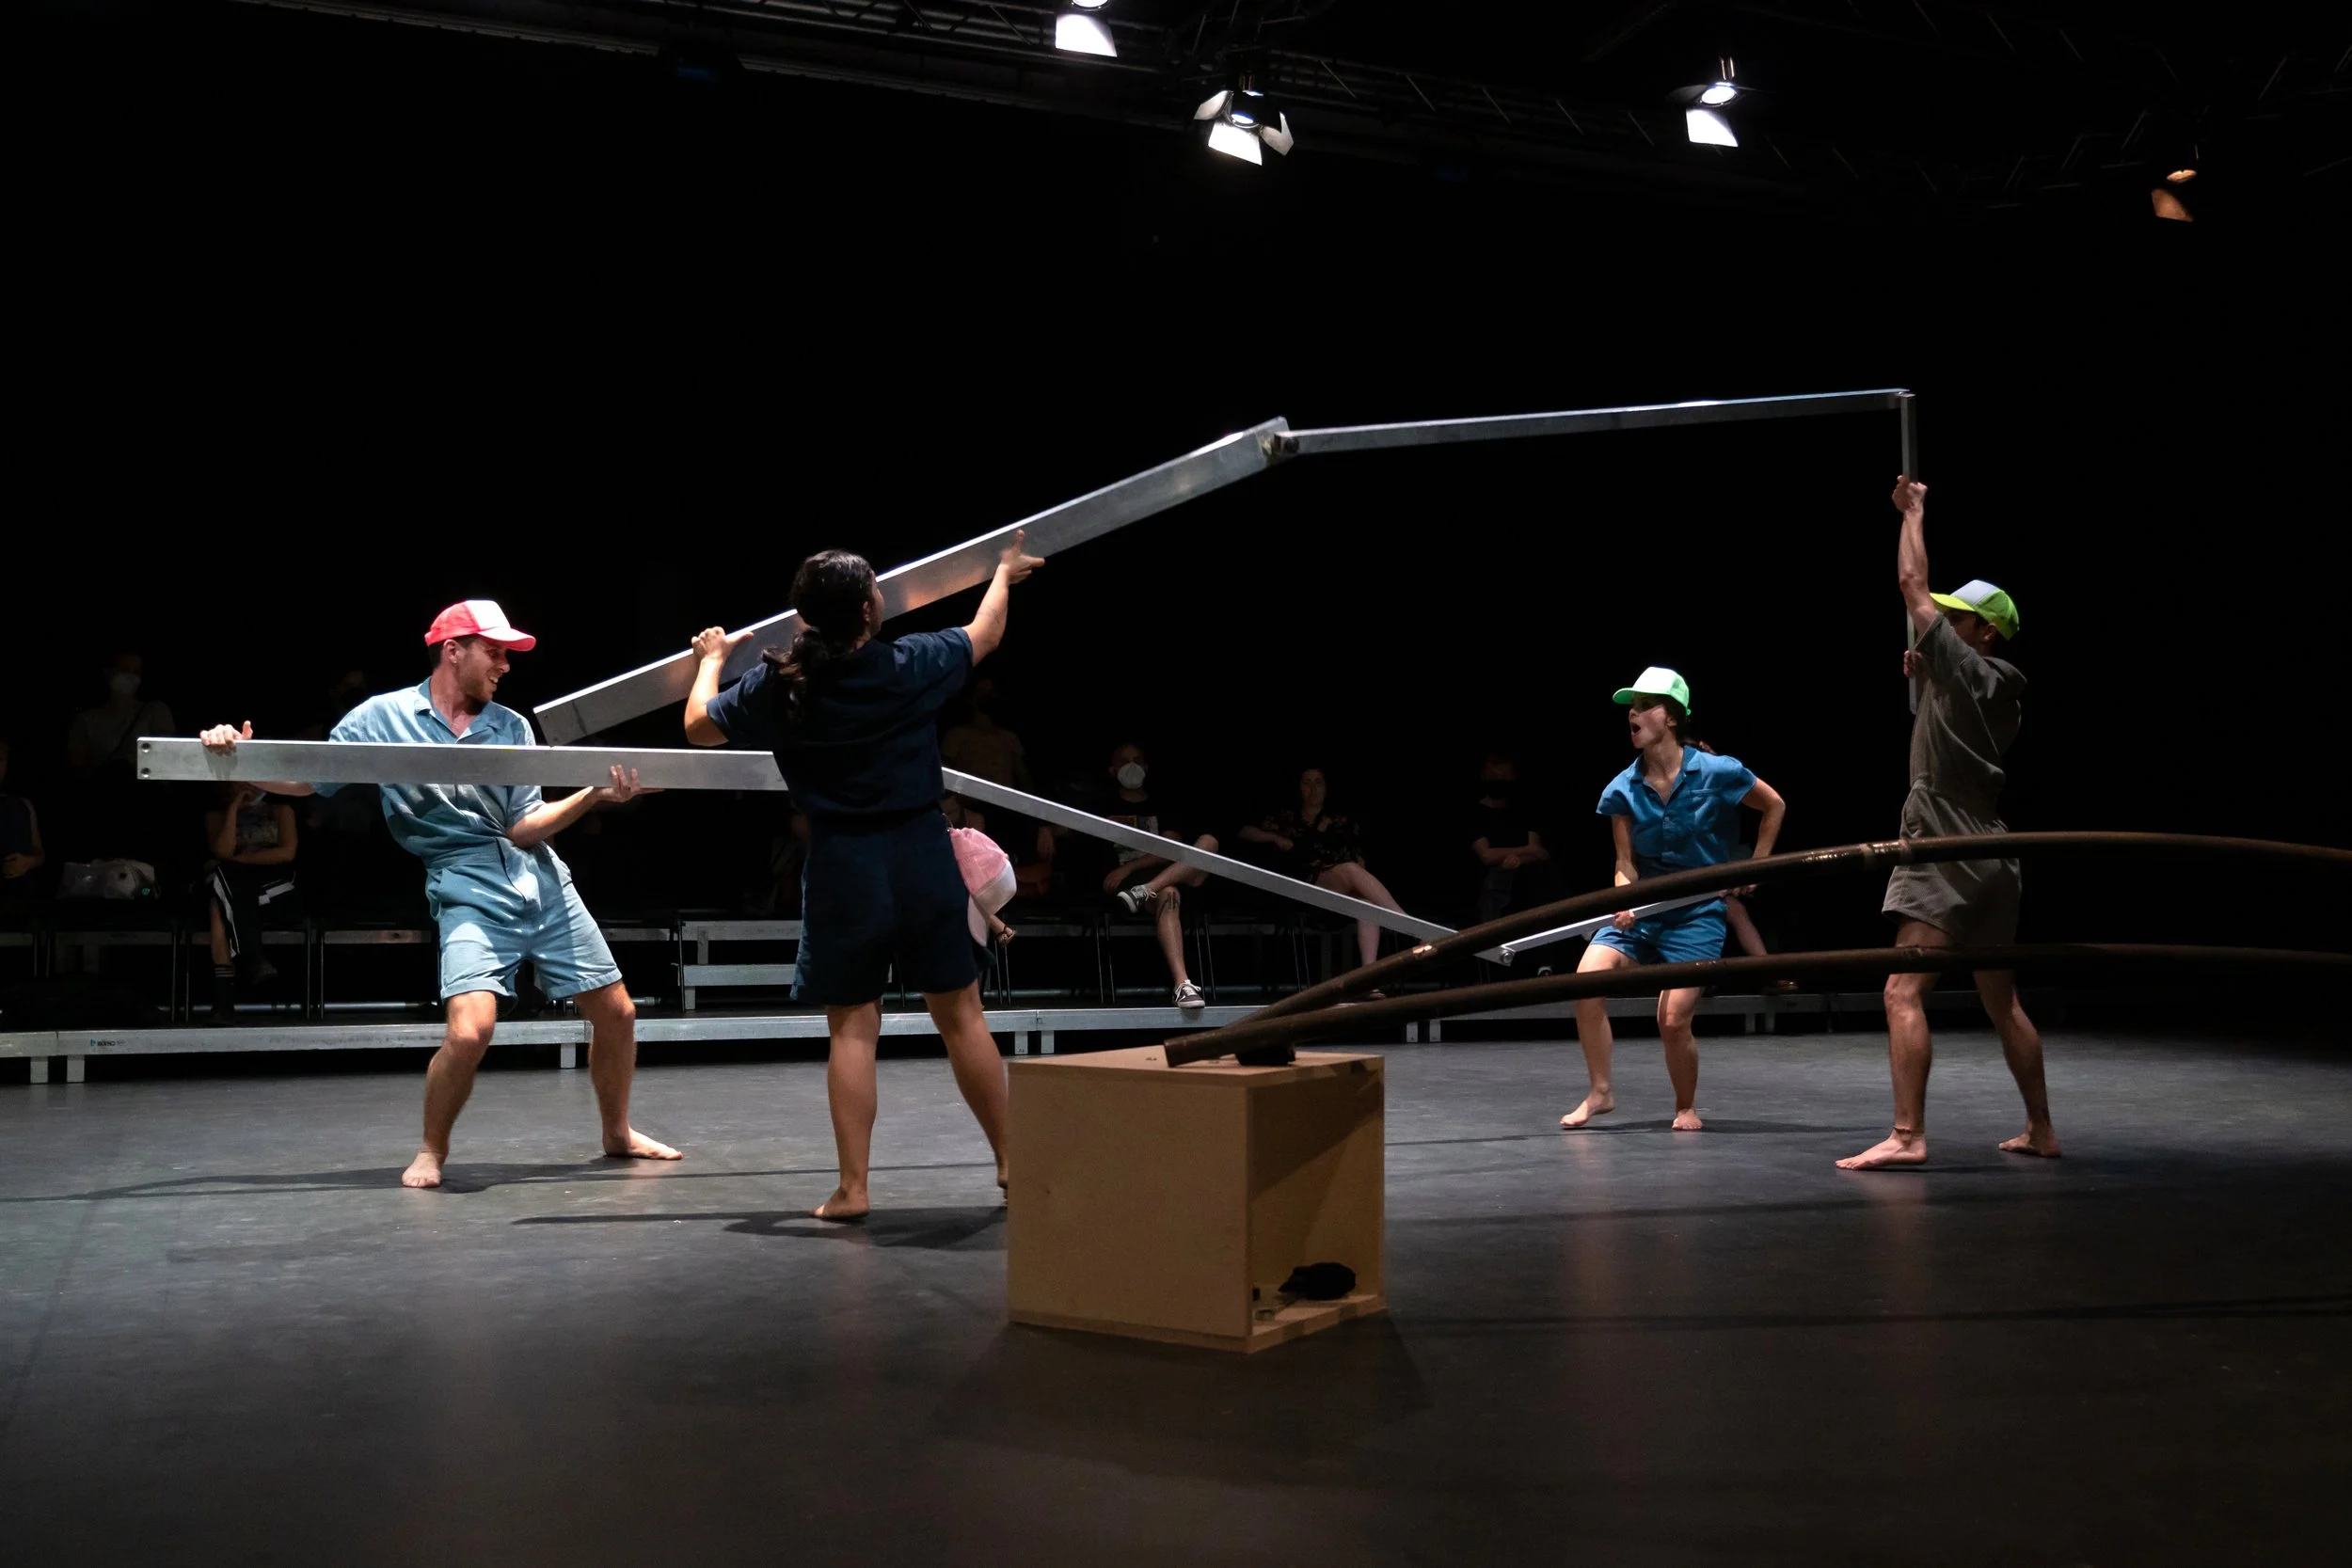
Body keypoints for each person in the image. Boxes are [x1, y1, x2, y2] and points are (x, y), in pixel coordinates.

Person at [199, 600, 678, 1189]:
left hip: (541, 881)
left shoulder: (511, 726)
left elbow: (523, 826)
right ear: (453, 650)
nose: (505, 666)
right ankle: (431, 1150)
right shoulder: (383, 717)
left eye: (507, 655)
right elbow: (309, 777)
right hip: (465, 886)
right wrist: (239, 759)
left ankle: (617, 1132)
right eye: (494, 652)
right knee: (471, 1031)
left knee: (619, 1013)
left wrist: (592, 797)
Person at [694, 534, 1041, 1221]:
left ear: (805, 619)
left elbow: (699, 725)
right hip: (918, 854)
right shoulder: (907, 663)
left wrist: (710, 661)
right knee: (961, 1016)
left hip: (842, 865)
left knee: (853, 1029)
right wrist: (1002, 573)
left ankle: (853, 1190)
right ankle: (1011, 1161)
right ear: (866, 609)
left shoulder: (783, 682)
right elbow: (985, 633)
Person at [1839, 477, 2057, 1169]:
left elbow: (1912, 584)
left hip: (1945, 842)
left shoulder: (1967, 667)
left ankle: (1907, 1135)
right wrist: (1933, 669)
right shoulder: (1994, 690)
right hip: (1993, 851)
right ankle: (2042, 1129)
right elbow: (1947, 677)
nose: (1942, 624)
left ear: (1985, 633)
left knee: (1901, 989)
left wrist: (1914, 513)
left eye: (1958, 620)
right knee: (2003, 1001)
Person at [1562, 668, 1787, 1133]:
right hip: (1645, 910)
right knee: (1585, 983)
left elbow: (1774, 805)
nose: (1633, 714)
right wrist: (1624, 898)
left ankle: (1686, 1106)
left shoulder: (1718, 771)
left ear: (1672, 717)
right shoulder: (1621, 788)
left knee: (1672, 1019)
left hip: (1697, 912)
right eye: (1632, 707)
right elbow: (1625, 862)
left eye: (1645, 705)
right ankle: (1600, 1092)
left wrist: (1757, 864)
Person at [1240, 767, 1415, 974]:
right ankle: (1410, 926)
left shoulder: (1339, 821)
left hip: (1339, 889)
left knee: (1366, 902)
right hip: (1303, 888)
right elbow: (1245, 832)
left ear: (1326, 788)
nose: (1313, 788)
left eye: (1318, 783)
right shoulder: (1287, 817)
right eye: (1307, 783)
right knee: (1350, 870)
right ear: (1299, 788)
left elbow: (1357, 854)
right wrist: (1275, 838)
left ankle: (1370, 976)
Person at [1091, 741, 1217, 1012]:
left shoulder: (1163, 803)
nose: (1131, 766)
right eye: (1124, 761)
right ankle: (1183, 984)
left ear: (1147, 767)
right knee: (1169, 893)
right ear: (1112, 769)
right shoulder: (1102, 804)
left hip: (1165, 875)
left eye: (1137, 760)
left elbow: (1171, 847)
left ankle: (1147, 888)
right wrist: (1046, 830)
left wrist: (1130, 867)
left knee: (1209, 843)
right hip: (1126, 887)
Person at [199, 782, 298, 1022]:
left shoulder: (281, 811)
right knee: (223, 893)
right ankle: (253, 959)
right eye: (240, 782)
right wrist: (234, 808)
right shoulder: (216, 816)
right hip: (232, 881)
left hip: (271, 882)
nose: (248, 787)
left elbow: (286, 853)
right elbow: (223, 851)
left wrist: (240, 859)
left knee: (221, 895)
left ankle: (225, 996)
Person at [1469, 752, 1555, 925]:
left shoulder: (1523, 812)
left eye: (1505, 777)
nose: (1500, 781)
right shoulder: (1475, 814)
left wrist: (1518, 860)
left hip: (1526, 882)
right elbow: (1486, 855)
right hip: (1487, 887)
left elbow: (1539, 852)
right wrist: (1524, 851)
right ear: (1484, 776)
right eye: (1495, 776)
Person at [65, 650, 176, 777]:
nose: (131, 677)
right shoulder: (85, 720)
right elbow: (76, 766)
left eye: (136, 672)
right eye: (124, 670)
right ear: (107, 673)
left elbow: (166, 759)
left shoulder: (155, 710)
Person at [0, 737, 46, 914]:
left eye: (0, 760)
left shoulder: (21, 805)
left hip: (19, 901)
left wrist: (27, 862)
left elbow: (39, 852)